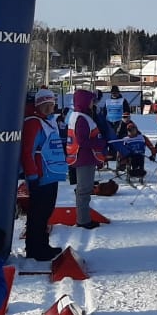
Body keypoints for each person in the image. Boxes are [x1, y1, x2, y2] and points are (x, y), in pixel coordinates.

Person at [20, 89, 66, 261]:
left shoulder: (48, 121)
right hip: (41, 176)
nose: (49, 108)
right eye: (45, 105)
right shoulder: (33, 122)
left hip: (51, 174)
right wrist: (32, 175)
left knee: (45, 212)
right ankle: (35, 249)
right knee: (38, 214)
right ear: (38, 105)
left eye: (51, 105)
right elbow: (27, 152)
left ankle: (42, 245)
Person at [65, 88, 108, 230]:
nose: (92, 103)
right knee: (84, 190)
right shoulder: (81, 118)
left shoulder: (78, 115)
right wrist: (100, 143)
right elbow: (82, 141)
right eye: (90, 101)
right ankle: (83, 220)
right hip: (84, 158)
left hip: (84, 157)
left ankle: (84, 218)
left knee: (84, 189)